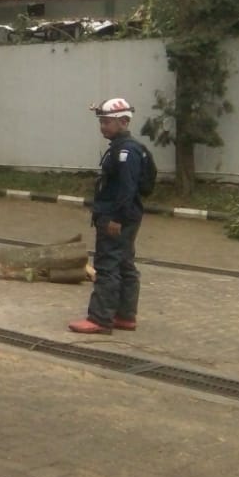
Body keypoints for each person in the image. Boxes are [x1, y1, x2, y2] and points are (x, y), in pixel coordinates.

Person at [69, 97, 143, 334]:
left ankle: (100, 319)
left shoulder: (125, 152)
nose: (102, 126)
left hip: (116, 216)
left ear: (123, 121)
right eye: (101, 122)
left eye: (107, 122)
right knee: (124, 264)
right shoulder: (129, 148)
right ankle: (125, 315)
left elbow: (127, 189)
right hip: (125, 215)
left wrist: (116, 219)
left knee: (108, 266)